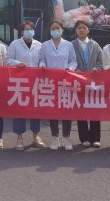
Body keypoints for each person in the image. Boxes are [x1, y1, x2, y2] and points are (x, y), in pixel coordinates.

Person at [39, 21, 77, 150]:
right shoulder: (45, 45)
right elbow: (42, 60)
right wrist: (42, 66)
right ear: (50, 31)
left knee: (66, 109)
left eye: (58, 28)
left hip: (65, 80)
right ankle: (55, 137)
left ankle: (66, 137)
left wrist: (70, 69)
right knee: (53, 109)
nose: (55, 30)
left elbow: (73, 61)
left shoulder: (68, 45)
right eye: (53, 28)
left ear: (62, 30)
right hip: (50, 82)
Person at [7, 21, 45, 150]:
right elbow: (8, 59)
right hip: (20, 82)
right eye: (26, 29)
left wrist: (42, 65)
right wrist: (17, 63)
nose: (29, 31)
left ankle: (36, 136)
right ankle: (19, 138)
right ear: (22, 32)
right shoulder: (15, 44)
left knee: (35, 110)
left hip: (35, 82)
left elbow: (42, 60)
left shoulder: (39, 45)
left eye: (31, 29)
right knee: (19, 109)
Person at [71, 20, 104, 149]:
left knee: (95, 109)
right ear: (75, 30)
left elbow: (100, 62)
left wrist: (97, 68)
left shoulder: (95, 45)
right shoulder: (71, 45)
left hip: (93, 82)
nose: (82, 30)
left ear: (88, 30)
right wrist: (75, 70)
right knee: (81, 109)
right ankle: (84, 137)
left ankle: (95, 138)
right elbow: (69, 61)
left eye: (84, 27)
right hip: (78, 81)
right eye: (79, 28)